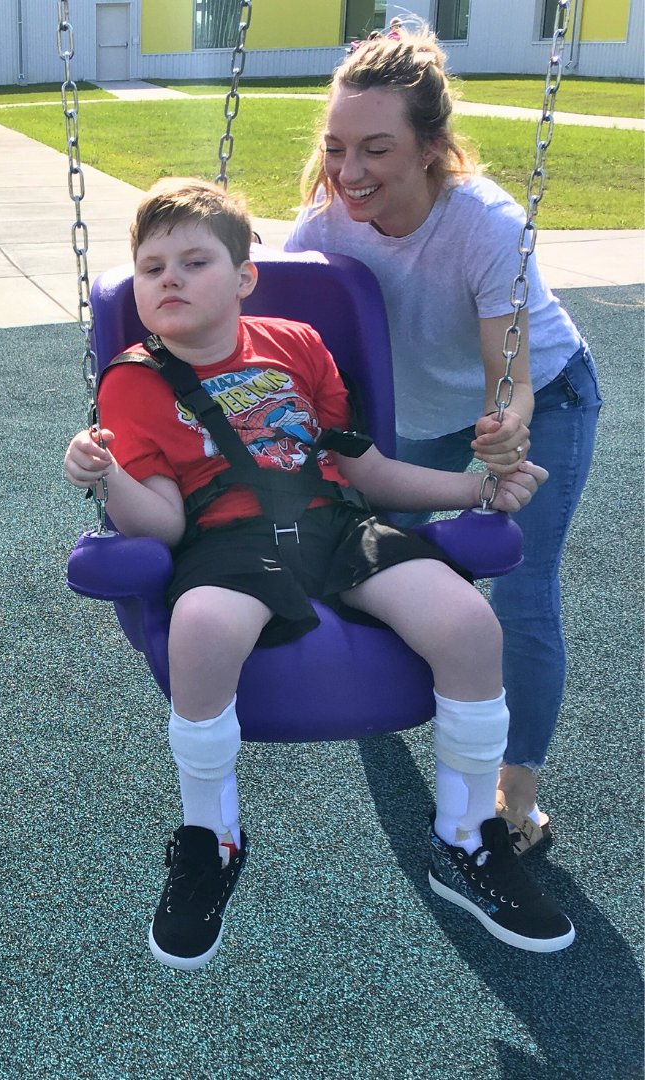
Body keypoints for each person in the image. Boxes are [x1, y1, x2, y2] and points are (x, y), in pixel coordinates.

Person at [63, 178, 574, 972]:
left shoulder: (297, 344)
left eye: (194, 261)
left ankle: (468, 838)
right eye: (152, 265)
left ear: (244, 278)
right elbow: (160, 522)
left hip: (337, 524)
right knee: (200, 628)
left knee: (472, 623)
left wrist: (472, 489)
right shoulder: (131, 380)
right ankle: (211, 835)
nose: (168, 278)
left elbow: (365, 470)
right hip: (225, 543)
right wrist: (106, 478)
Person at [286, 24, 601, 857]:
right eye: (336, 147)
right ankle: (382, 692)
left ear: (431, 148)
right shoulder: (320, 232)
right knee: (385, 556)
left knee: (521, 585)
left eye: (376, 150)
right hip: (419, 412)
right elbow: (263, 336)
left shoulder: (484, 224)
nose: (349, 173)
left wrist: (508, 432)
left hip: (542, 394)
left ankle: (514, 789)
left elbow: (515, 377)